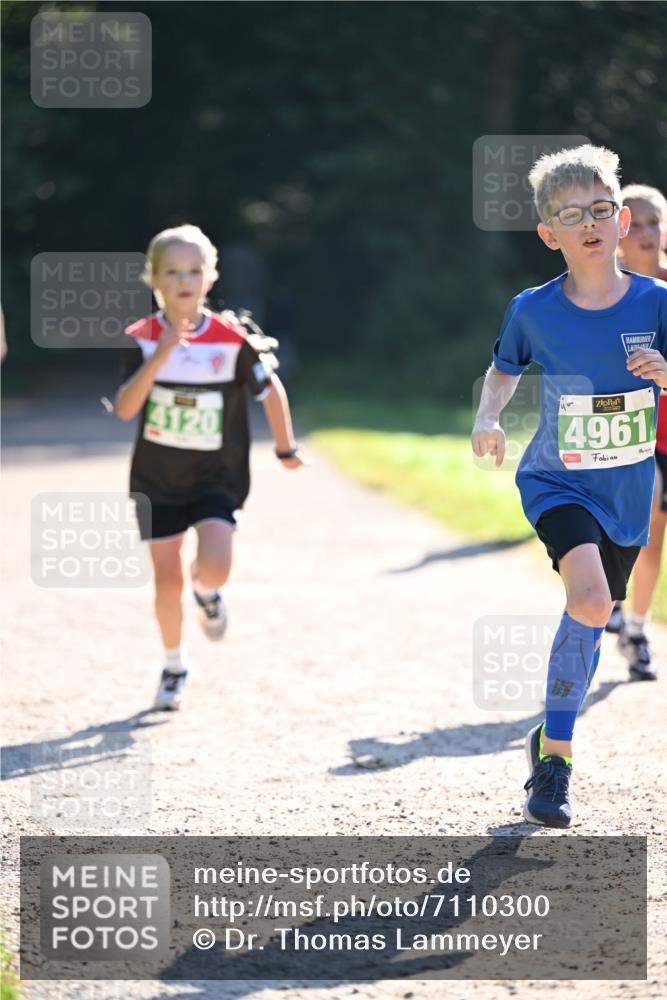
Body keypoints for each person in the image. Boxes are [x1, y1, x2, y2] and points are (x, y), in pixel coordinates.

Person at [471, 145, 667, 828]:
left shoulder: (656, 302)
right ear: (548, 234)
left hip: (625, 494)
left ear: (621, 219)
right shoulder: (532, 309)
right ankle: (555, 761)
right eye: (571, 215)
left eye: (601, 209)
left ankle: (546, 735)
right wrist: (487, 417)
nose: (590, 222)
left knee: (586, 613)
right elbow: (503, 368)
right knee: (587, 601)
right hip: (557, 481)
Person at [115, 225, 305, 710]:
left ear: (210, 276)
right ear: (154, 279)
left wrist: (285, 449)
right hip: (156, 480)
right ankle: (174, 665)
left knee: (216, 565)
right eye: (173, 271)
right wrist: (159, 357)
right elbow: (124, 408)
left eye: (195, 270)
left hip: (216, 476)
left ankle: (207, 592)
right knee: (165, 579)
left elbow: (270, 392)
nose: (185, 279)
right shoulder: (141, 340)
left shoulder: (231, 339)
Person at [604, 184, 667, 681]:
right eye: (638, 223)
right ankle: (631, 622)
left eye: (656, 222)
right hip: (632, 437)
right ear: (620, 231)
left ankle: (633, 625)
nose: (648, 233)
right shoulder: (605, 292)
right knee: (648, 535)